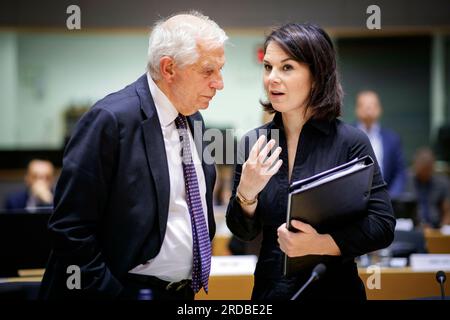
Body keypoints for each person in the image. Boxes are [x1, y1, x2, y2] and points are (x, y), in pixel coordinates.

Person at [39, 11, 227, 300]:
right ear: (169, 69)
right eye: (208, 71)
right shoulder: (110, 120)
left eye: (220, 70)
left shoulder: (194, 120)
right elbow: (69, 229)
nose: (219, 83)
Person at [226, 23, 395, 300]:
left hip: (334, 289)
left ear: (317, 75)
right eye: (268, 67)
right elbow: (243, 232)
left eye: (287, 67)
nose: (272, 78)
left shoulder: (351, 141)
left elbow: (382, 226)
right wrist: (246, 194)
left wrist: (322, 243)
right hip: (271, 291)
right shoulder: (252, 142)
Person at [355, 90, 407, 198]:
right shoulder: (347, 136)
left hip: (386, 198)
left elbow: (400, 172)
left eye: (372, 105)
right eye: (364, 105)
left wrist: (392, 197)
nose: (368, 108)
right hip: (354, 197)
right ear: (357, 109)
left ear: (379, 109)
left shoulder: (392, 139)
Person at [404, 147, 450, 228]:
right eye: (422, 168)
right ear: (415, 164)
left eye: (428, 169)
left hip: (436, 228)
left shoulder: (442, 182)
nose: (425, 173)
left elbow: (447, 211)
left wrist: (442, 228)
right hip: (411, 227)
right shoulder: (405, 180)